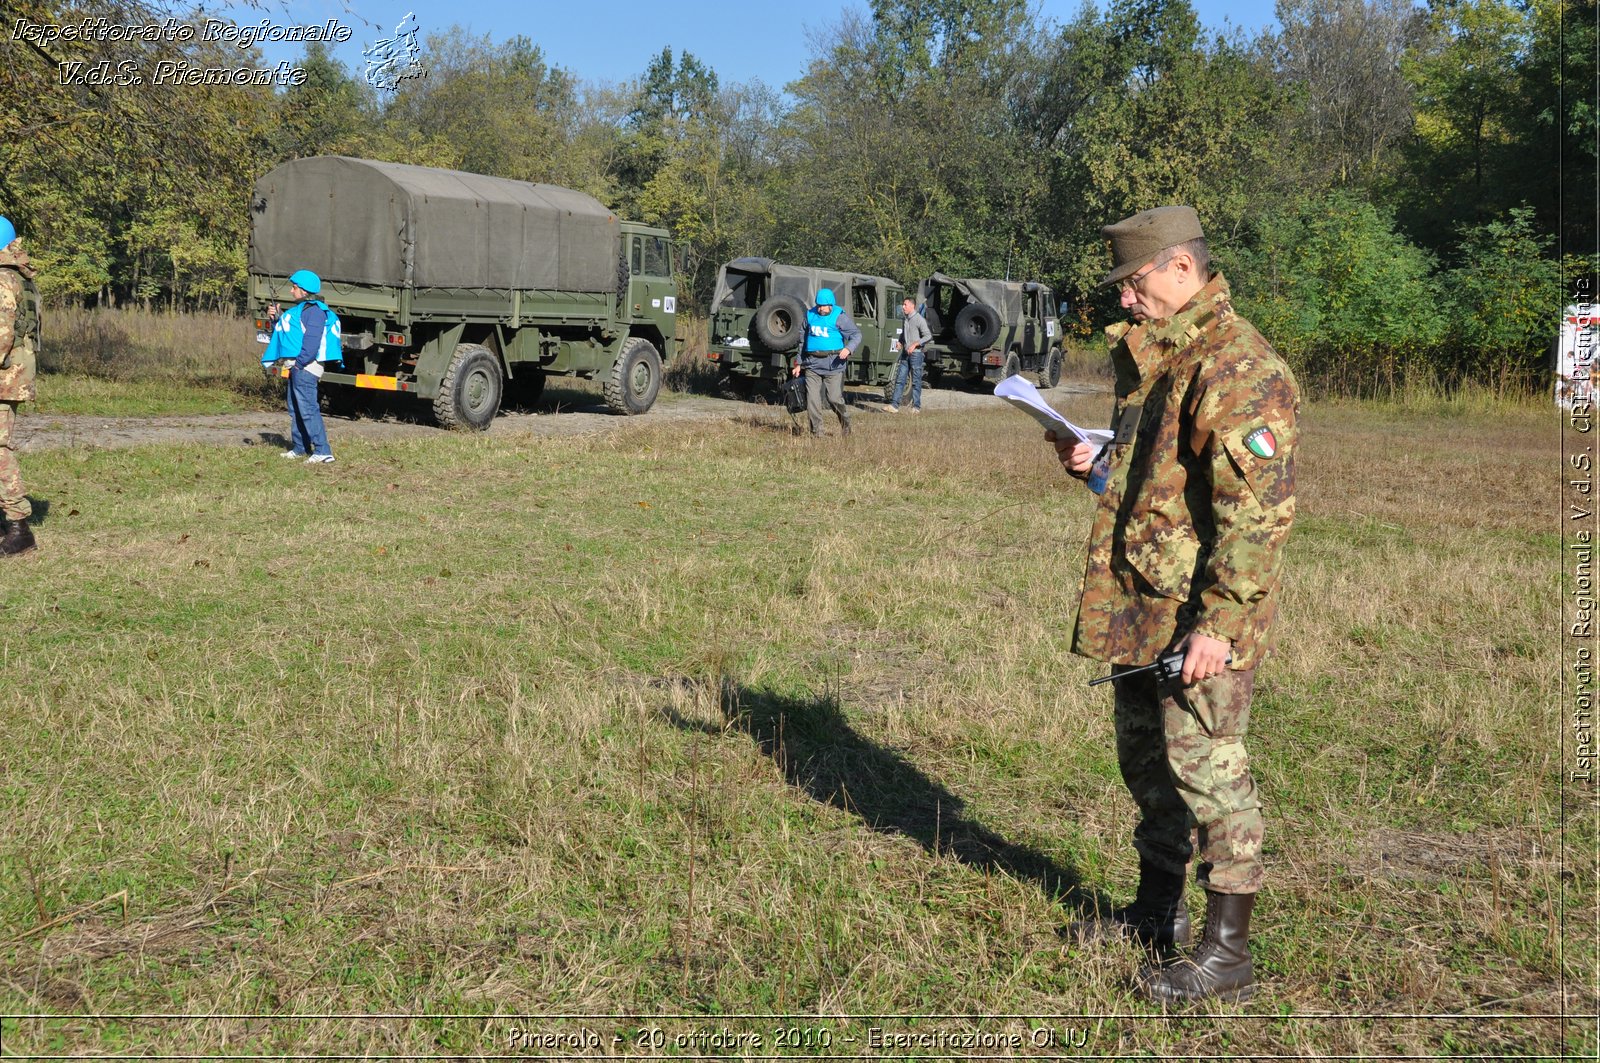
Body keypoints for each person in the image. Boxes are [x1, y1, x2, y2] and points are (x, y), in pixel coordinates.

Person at [1050, 206, 1299, 1004]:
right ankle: (1155, 914)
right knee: (1148, 764)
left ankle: (1228, 950)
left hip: (1197, 620)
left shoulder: (1237, 366)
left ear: (1182, 269)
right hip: (1142, 607)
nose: (1125, 297)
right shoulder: (1162, 357)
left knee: (1209, 768)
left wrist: (1221, 626)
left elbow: (1257, 515)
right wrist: (1096, 465)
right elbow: (1156, 484)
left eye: (1134, 280)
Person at [261, 268, 340, 464]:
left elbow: (311, 342)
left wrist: (300, 365)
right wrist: (276, 319)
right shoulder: (302, 311)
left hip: (304, 367)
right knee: (295, 409)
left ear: (304, 291)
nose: (291, 291)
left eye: (294, 287)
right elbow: (291, 334)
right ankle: (300, 447)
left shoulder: (315, 312)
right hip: (298, 366)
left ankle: (323, 451)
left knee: (308, 409)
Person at [0, 216, 39, 556]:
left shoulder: (2, 279)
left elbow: (1, 335)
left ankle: (18, 525)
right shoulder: (17, 276)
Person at [791, 287, 860, 437]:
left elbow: (856, 335)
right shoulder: (810, 316)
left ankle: (845, 421)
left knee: (834, 398)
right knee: (812, 400)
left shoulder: (839, 317)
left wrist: (848, 348)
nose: (820, 308)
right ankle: (817, 433)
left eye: (823, 305)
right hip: (812, 364)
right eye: (818, 305)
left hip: (833, 364)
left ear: (831, 304)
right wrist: (798, 363)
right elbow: (803, 342)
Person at [887, 297, 932, 413]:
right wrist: (900, 342)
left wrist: (915, 345)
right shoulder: (905, 319)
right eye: (903, 304)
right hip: (905, 354)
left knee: (916, 381)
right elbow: (904, 334)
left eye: (905, 304)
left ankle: (916, 407)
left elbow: (928, 336)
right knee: (900, 380)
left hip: (916, 355)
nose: (903, 307)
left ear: (912, 306)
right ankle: (894, 406)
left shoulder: (919, 319)